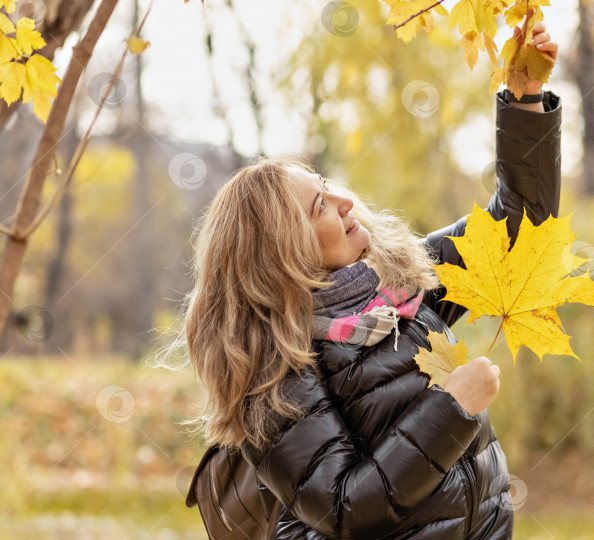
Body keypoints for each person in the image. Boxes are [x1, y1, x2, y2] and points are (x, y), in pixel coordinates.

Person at [175, 15, 560, 540]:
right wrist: (452, 409)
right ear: (285, 250)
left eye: (327, 185)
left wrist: (524, 100)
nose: (345, 201)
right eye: (320, 207)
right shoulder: (272, 374)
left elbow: (519, 227)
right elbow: (347, 509)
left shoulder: (402, 285)